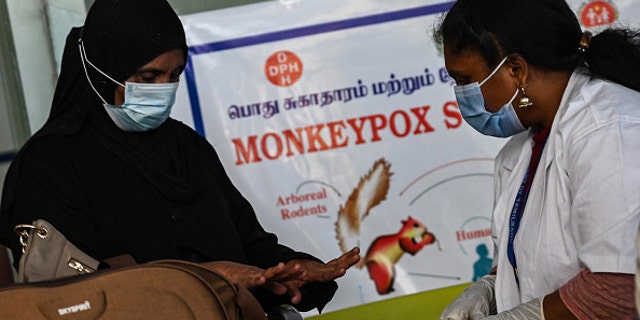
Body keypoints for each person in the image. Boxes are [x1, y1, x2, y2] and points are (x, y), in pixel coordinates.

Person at [0, 0, 360, 313]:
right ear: (100, 71)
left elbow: (248, 245)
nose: (163, 91)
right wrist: (204, 277)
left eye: (174, 76)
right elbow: (65, 290)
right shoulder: (49, 166)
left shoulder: (187, 148)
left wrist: (290, 272)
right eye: (148, 76)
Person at [434, 0, 640, 318]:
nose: (461, 94)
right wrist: (490, 287)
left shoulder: (609, 130)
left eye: (465, 81)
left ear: (517, 70)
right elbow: (531, 259)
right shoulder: (519, 152)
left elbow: (620, 290)